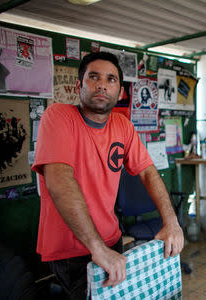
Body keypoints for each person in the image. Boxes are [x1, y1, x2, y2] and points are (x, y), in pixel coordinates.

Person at [32, 52, 183, 299]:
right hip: (73, 250)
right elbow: (59, 180)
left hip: (111, 240)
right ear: (79, 85)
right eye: (94, 77)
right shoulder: (58, 116)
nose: (102, 84)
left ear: (120, 92)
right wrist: (96, 248)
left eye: (111, 79)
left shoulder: (122, 125)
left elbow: (147, 171)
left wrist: (171, 222)